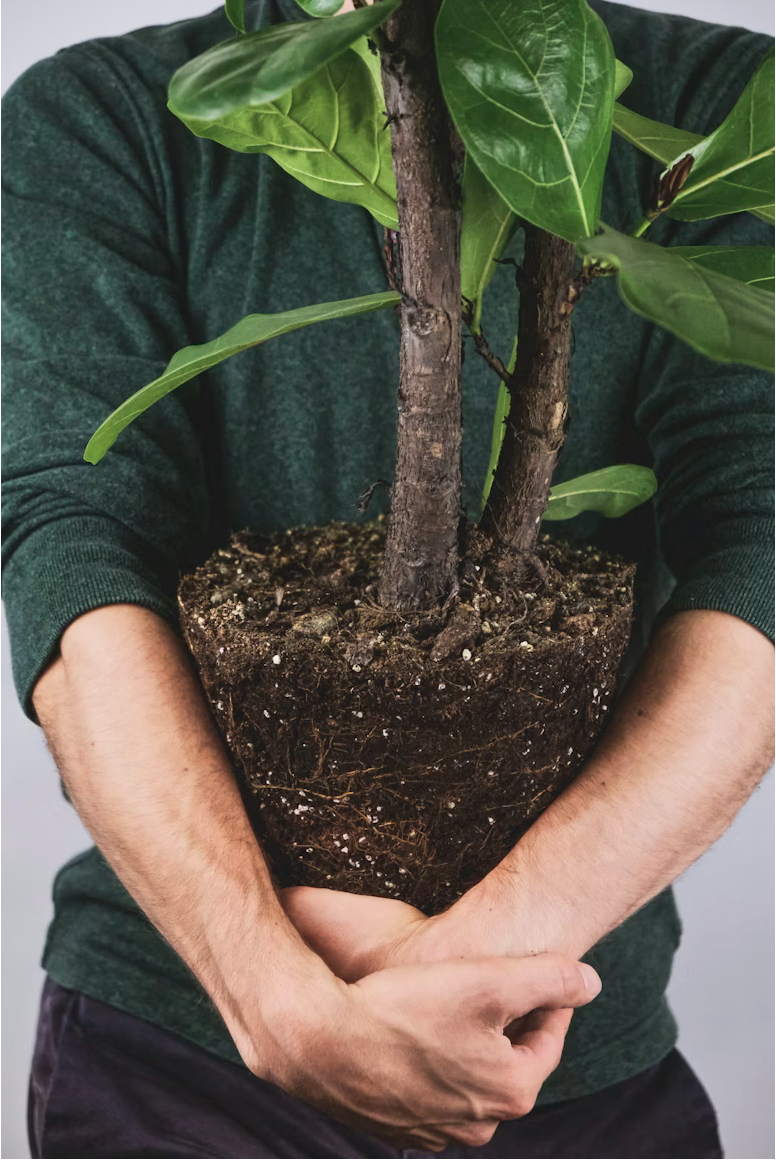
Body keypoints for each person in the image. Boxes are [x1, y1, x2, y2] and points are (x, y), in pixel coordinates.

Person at [3, 0, 773, 1156]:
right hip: (183, 1055)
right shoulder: (102, 117)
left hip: (563, 1045)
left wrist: (448, 978)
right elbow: (75, 546)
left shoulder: (720, 108)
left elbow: (759, 548)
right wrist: (271, 995)